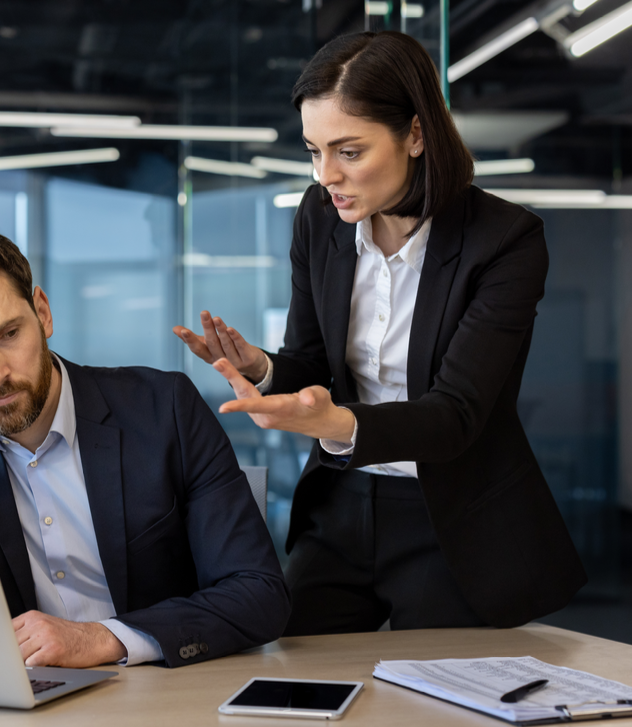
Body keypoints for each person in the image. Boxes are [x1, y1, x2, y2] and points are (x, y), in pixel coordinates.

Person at [174, 31, 587, 634]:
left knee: (435, 706)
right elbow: (313, 363)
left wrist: (338, 425)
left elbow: (457, 414)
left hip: (448, 517)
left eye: (349, 151)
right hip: (339, 505)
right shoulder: (320, 220)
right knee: (297, 682)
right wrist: (265, 368)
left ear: (416, 134)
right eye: (314, 151)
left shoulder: (504, 241)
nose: (326, 176)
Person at [0, 226, 289, 669]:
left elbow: (258, 593)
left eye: (7, 334)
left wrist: (101, 639)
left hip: (164, 693)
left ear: (42, 313)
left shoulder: (163, 410)